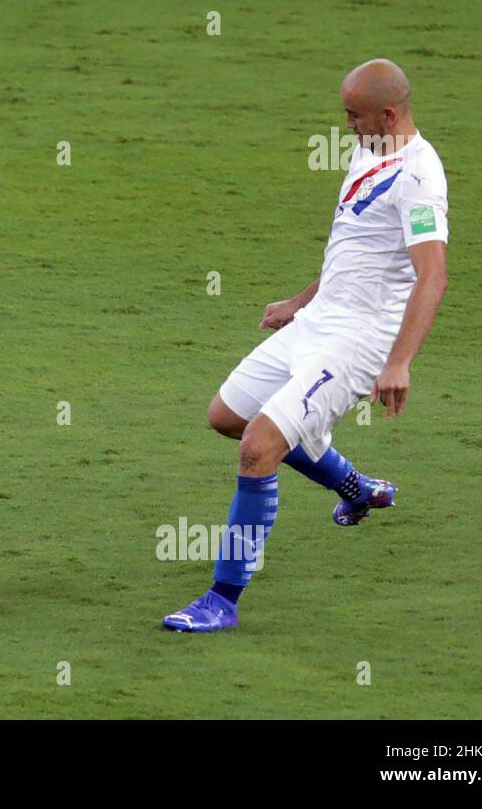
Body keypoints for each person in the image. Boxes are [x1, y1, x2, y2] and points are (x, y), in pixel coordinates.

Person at [164, 59, 449, 632]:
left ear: (388, 114)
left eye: (353, 114)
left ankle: (222, 599)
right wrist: (299, 301)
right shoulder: (371, 150)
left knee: (257, 448)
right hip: (317, 321)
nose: (346, 124)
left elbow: (433, 274)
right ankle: (356, 488)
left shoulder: (419, 177)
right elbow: (355, 244)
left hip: (356, 342)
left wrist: (399, 362)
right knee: (226, 417)